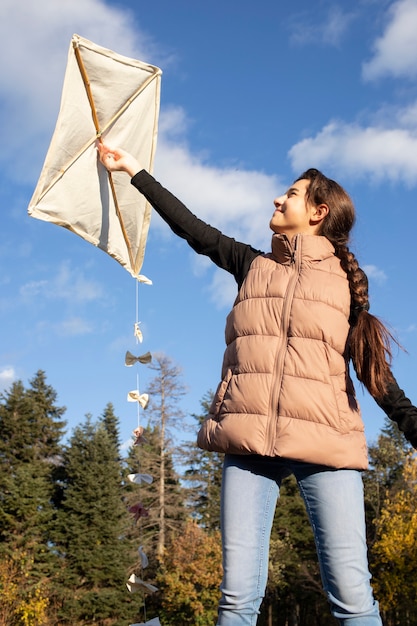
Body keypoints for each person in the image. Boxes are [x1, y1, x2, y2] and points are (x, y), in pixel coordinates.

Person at [98, 142, 417, 626]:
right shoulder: (253, 265)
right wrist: (134, 171)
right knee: (237, 599)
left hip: (326, 442)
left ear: (318, 212)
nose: (276, 200)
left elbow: (379, 381)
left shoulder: (345, 287)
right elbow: (193, 229)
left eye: (290, 194)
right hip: (248, 443)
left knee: (352, 598)